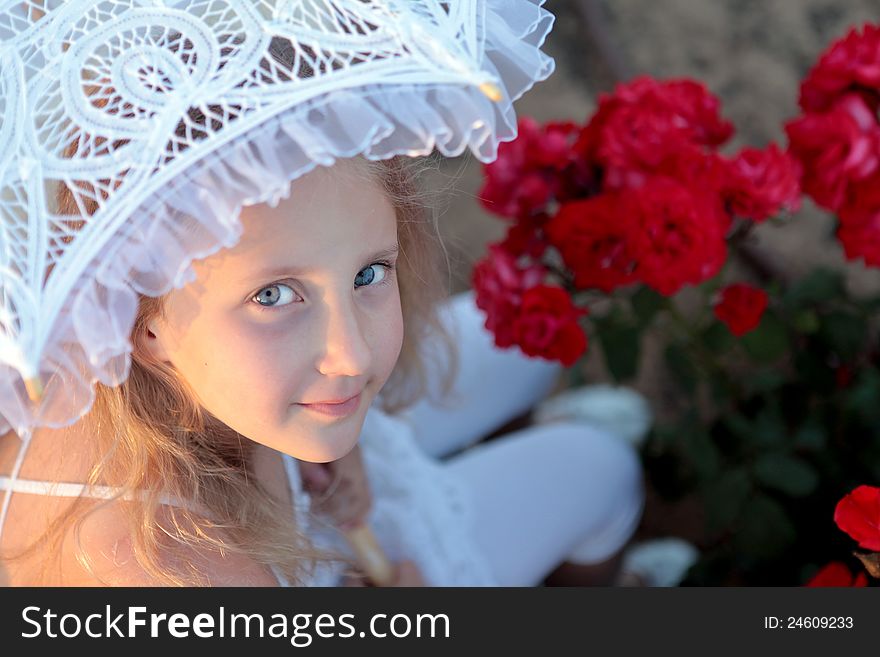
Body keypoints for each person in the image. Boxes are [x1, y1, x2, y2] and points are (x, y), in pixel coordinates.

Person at [0, 0, 644, 586]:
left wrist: (330, 451)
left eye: (369, 274)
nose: (354, 355)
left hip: (299, 456)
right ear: (145, 326)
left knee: (524, 354)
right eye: (274, 296)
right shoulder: (185, 578)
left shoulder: (82, 321)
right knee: (603, 468)